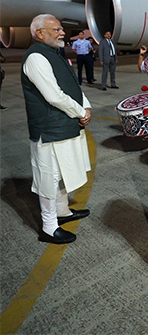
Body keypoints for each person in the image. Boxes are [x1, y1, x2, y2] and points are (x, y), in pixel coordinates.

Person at [21, 14, 92, 244]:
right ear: (39, 33)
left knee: (60, 174)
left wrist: (86, 106)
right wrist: (80, 112)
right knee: (49, 178)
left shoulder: (55, 54)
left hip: (64, 126)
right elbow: (53, 96)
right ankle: (49, 228)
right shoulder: (36, 58)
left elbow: (72, 86)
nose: (62, 33)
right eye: (57, 29)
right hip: (49, 131)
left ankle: (62, 212)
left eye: (61, 28)